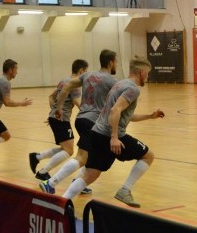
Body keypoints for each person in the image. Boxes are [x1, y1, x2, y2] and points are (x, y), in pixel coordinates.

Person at [58, 58, 164, 206]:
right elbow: (115, 110)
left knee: (90, 174)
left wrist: (149, 116)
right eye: (148, 73)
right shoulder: (133, 89)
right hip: (110, 136)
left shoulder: (119, 84)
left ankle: (62, 201)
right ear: (142, 72)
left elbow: (124, 115)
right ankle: (125, 190)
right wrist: (114, 138)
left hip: (96, 133)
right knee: (148, 156)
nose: (148, 76)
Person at [39, 49, 118, 194]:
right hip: (93, 123)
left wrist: (59, 107)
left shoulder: (88, 75)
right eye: (116, 62)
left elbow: (67, 86)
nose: (117, 65)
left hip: (81, 119)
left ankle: (79, 182)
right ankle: (50, 182)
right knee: (81, 157)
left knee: (90, 155)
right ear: (111, 62)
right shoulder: (112, 81)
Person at [29, 59, 88, 180]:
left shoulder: (64, 80)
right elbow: (78, 103)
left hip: (56, 118)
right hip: (61, 120)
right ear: (81, 70)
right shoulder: (75, 83)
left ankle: (37, 157)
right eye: (86, 72)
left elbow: (51, 96)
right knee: (69, 151)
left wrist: (54, 110)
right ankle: (43, 171)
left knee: (65, 149)